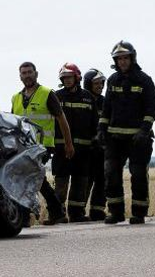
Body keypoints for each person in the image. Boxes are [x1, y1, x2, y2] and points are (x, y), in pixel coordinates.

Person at [96, 41, 155, 224]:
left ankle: (138, 213)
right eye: (119, 59)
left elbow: (152, 108)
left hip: (138, 138)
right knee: (111, 173)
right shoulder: (113, 80)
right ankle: (116, 212)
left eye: (125, 58)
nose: (122, 62)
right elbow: (106, 109)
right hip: (114, 138)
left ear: (132, 58)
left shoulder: (144, 80)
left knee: (138, 174)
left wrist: (144, 131)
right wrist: (101, 130)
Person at [12, 62, 74, 225]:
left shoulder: (47, 94)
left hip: (43, 146)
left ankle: (25, 218)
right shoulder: (16, 98)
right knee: (35, 179)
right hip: (23, 147)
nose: (27, 75)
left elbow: (62, 119)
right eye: (24, 73)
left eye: (30, 72)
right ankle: (56, 212)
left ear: (36, 74)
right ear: (20, 76)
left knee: (30, 177)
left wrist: (68, 143)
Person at [53, 63, 98, 222]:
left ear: (77, 77)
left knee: (81, 181)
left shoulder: (88, 98)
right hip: (61, 149)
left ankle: (77, 213)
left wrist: (95, 142)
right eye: (64, 78)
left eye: (69, 77)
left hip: (84, 149)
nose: (66, 80)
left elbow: (95, 124)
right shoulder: (56, 97)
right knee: (61, 182)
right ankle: (57, 214)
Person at [83, 68, 107, 221]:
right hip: (87, 148)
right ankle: (78, 211)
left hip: (103, 149)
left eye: (101, 83)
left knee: (102, 180)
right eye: (96, 83)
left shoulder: (105, 102)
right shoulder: (83, 100)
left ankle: (97, 211)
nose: (100, 86)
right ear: (88, 84)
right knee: (86, 179)